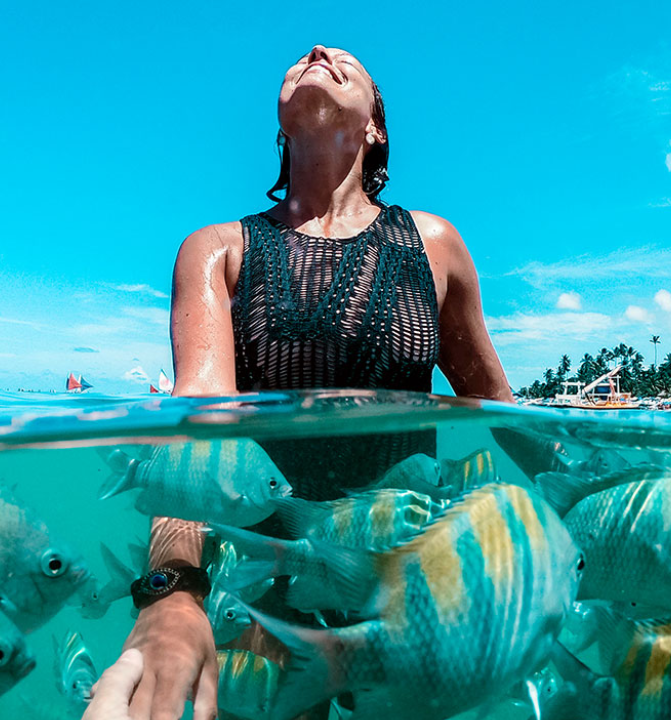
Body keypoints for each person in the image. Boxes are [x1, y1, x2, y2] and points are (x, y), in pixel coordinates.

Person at [84, 44, 512, 720]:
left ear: (375, 127)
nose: (316, 52)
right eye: (303, 58)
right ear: (280, 130)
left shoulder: (436, 245)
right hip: (268, 592)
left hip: (404, 584)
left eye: (347, 59)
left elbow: (503, 411)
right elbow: (199, 422)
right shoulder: (218, 250)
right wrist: (173, 595)